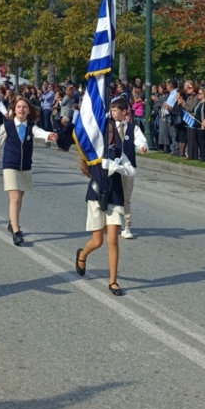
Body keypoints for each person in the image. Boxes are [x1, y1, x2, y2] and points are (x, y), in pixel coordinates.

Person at [0, 95, 58, 245]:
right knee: (14, 198)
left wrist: (49, 135)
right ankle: (16, 231)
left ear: (28, 111)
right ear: (14, 109)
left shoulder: (31, 126)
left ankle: (12, 223)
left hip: (25, 166)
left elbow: (40, 133)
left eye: (24, 107)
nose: (21, 109)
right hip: (10, 165)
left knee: (20, 198)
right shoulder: (7, 126)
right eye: (19, 107)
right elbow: (0, 140)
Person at [74, 121, 132, 296]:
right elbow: (78, 135)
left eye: (110, 130)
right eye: (103, 130)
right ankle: (82, 255)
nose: (107, 134)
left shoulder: (119, 150)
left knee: (113, 239)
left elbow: (131, 171)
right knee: (97, 241)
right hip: (96, 196)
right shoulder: (92, 150)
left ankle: (113, 281)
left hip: (115, 198)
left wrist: (117, 167)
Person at [109, 96, 148, 237]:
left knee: (126, 197)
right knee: (111, 195)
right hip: (111, 165)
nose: (113, 113)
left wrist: (143, 146)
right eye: (111, 110)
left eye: (115, 110)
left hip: (127, 167)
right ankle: (113, 223)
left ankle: (127, 226)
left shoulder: (133, 128)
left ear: (124, 111)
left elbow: (140, 140)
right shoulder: (109, 127)